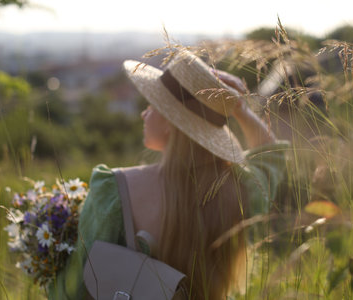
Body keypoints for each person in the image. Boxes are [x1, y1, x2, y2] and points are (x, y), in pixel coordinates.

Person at [49, 49, 288, 299]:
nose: (144, 113)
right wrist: (241, 109)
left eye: (151, 106)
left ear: (170, 123)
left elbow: (75, 287)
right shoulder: (240, 189)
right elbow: (272, 157)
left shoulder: (114, 188)